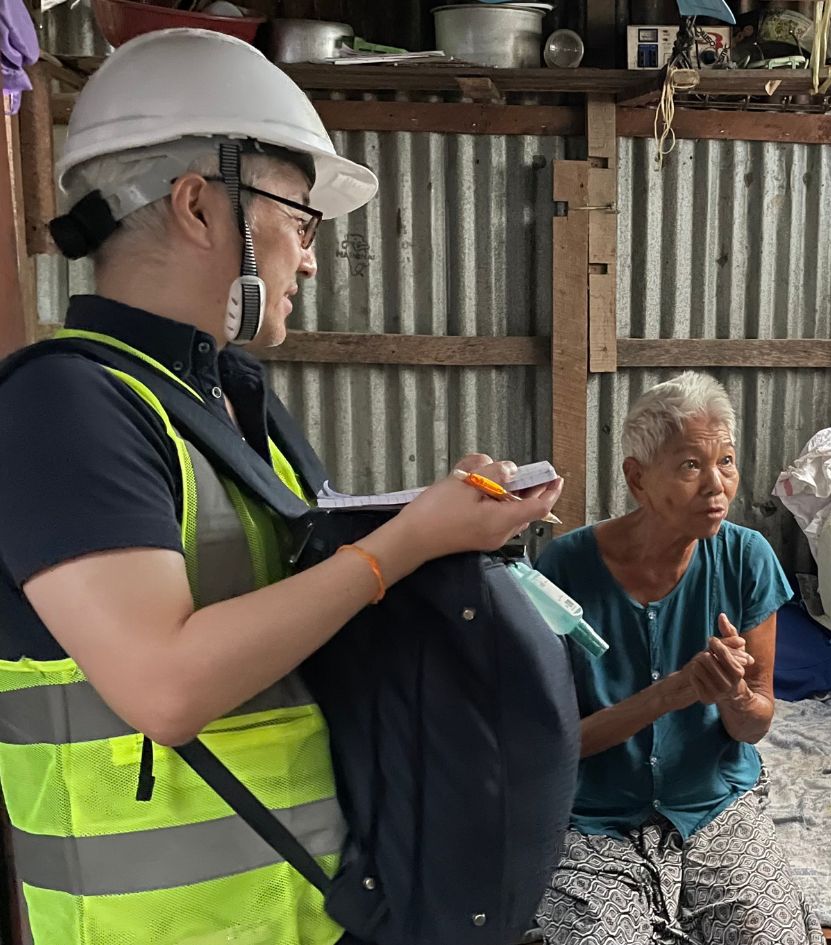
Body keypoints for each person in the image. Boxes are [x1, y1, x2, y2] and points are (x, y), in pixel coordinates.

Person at [0, 29, 561, 945]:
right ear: (197, 205)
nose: (309, 259)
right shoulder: (62, 407)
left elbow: (303, 608)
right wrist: (408, 541)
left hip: (307, 906)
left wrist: (438, 523)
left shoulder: (230, 398)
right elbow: (165, 687)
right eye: (300, 222)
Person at [532, 372, 823, 945]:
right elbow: (555, 745)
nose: (717, 485)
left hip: (715, 804)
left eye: (727, 462)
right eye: (691, 465)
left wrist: (734, 694)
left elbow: (755, 724)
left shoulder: (747, 558)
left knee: (771, 935)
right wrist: (673, 692)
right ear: (637, 478)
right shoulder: (563, 569)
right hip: (594, 818)